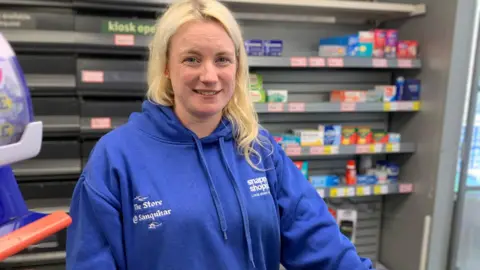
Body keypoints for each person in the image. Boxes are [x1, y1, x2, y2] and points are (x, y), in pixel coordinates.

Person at [66, 0, 374, 269]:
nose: (209, 76)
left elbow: (320, 243)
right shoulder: (116, 157)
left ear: (237, 68)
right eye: (192, 59)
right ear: (166, 67)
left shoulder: (259, 149)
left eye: (222, 59)